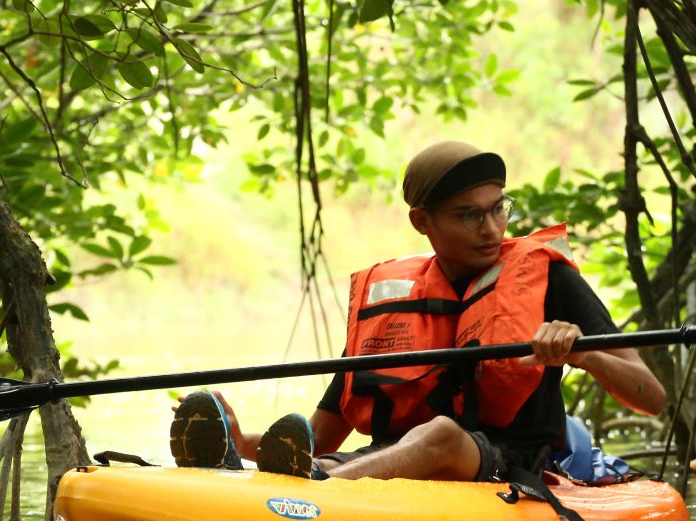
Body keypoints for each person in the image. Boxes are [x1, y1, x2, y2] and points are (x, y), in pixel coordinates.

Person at [170, 141, 666, 485]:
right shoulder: (393, 300)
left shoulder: (548, 277)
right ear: (422, 221)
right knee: (333, 455)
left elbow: (651, 397)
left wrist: (585, 355)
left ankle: (315, 488)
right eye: (469, 215)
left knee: (441, 434)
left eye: (498, 208)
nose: (491, 228)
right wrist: (245, 439)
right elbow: (319, 436)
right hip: (378, 465)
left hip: (504, 463)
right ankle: (234, 465)